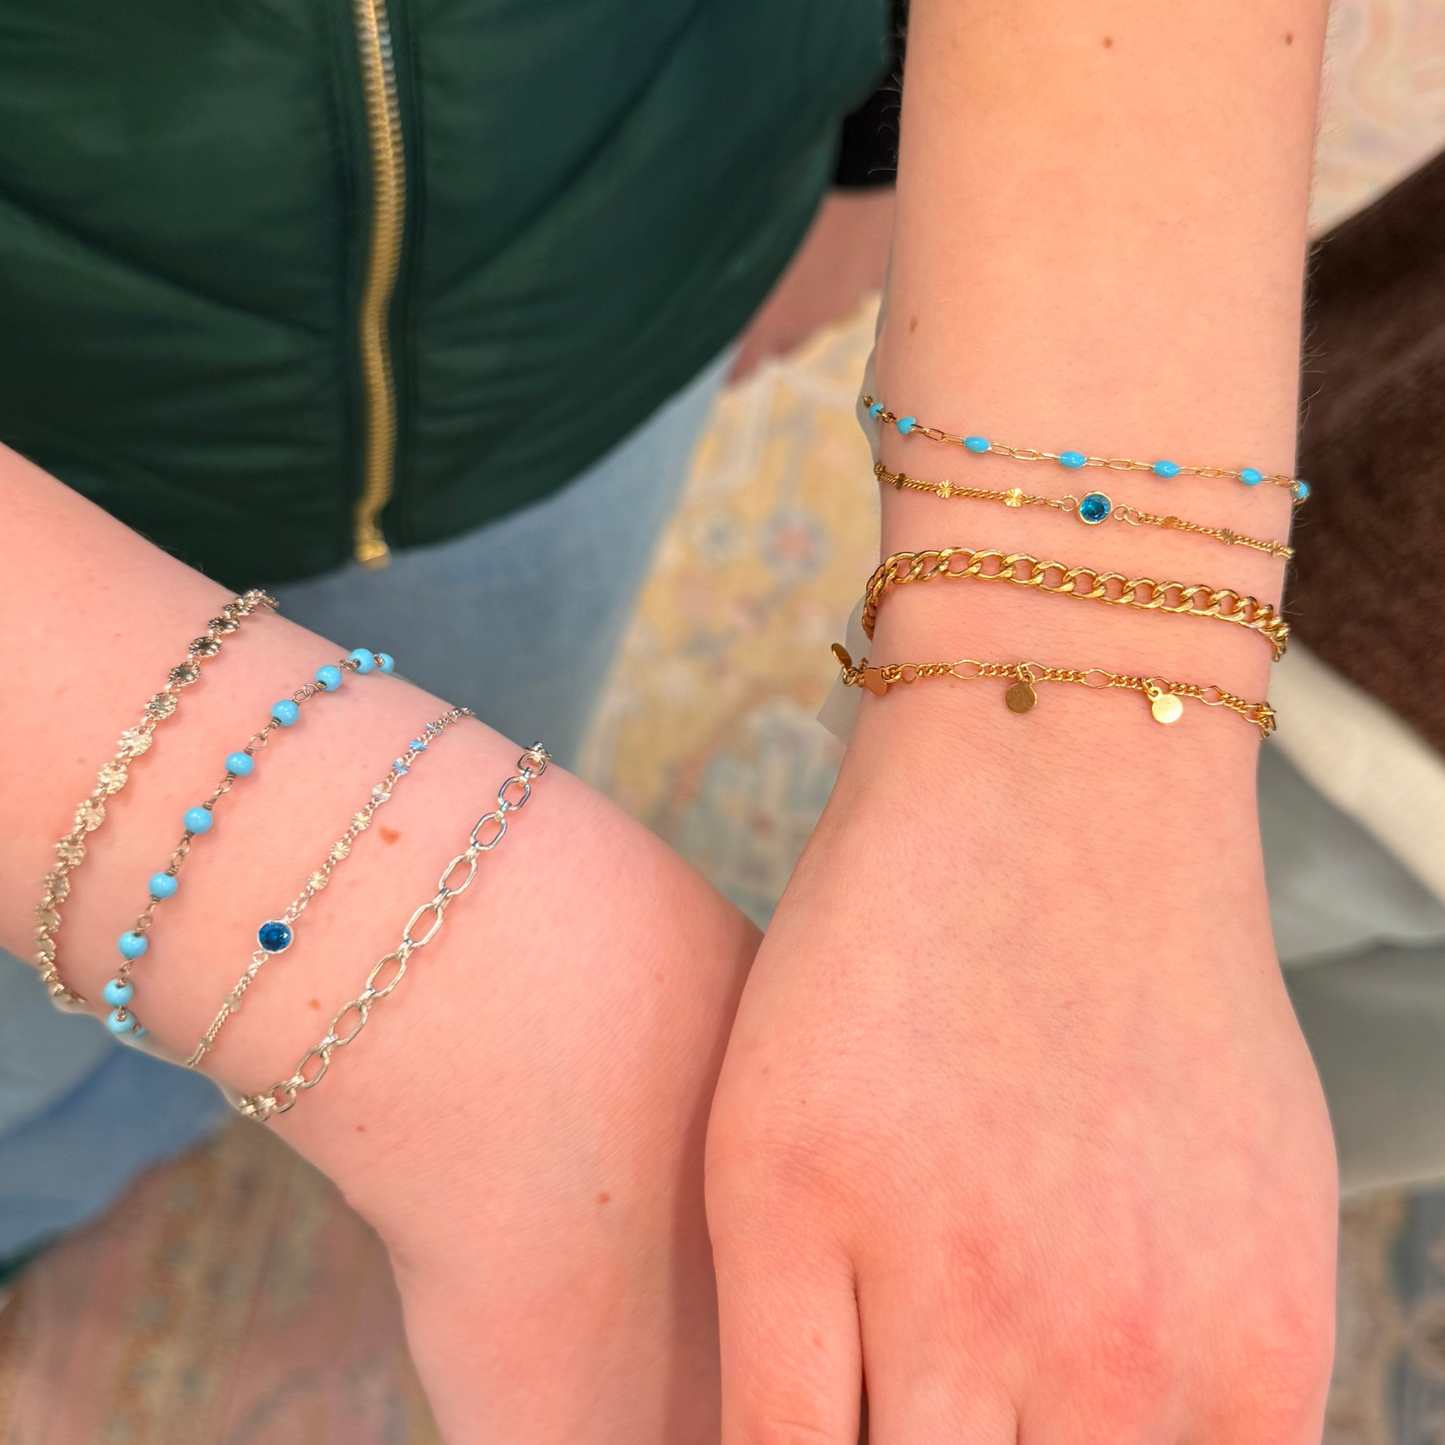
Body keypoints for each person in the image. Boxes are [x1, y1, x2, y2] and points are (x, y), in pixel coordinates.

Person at [0, 0, 1354, 1439]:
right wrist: (433, 971)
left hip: (607, 290)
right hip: (58, 374)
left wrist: (1072, 752)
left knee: (490, 713)